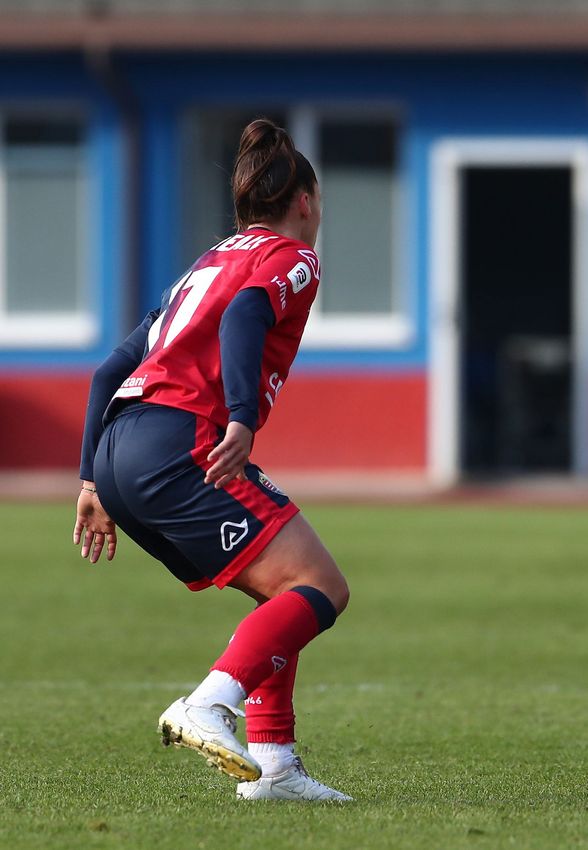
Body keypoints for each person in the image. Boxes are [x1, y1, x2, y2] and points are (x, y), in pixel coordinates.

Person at [74, 118, 352, 802]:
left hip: (120, 446)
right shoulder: (291, 256)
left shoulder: (208, 261)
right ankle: (208, 706)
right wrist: (240, 415)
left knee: (275, 591)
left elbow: (113, 364)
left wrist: (89, 476)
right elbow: (247, 317)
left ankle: (276, 768)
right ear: (305, 202)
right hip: (179, 440)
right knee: (319, 588)